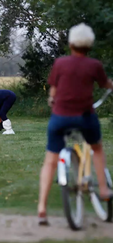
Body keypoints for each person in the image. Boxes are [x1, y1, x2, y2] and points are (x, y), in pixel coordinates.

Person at [38, 23, 113, 225]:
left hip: (60, 117)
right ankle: (104, 189)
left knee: (50, 160)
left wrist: (52, 100)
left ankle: (42, 208)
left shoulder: (60, 63)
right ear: (89, 45)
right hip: (85, 117)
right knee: (96, 148)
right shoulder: (94, 65)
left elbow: (53, 91)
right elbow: (105, 83)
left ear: (71, 43)